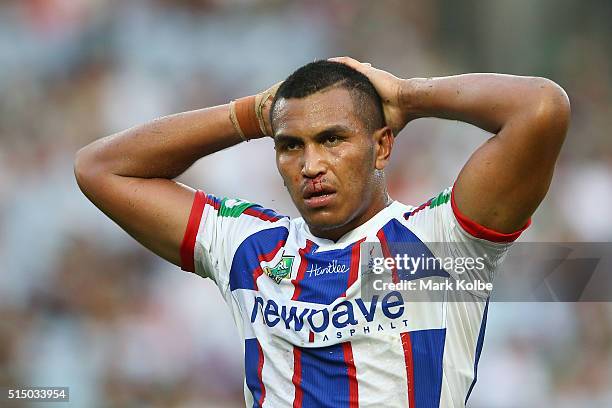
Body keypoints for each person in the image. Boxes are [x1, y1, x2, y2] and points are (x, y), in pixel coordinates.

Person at [74, 57, 570, 407]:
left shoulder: (436, 246)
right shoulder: (249, 248)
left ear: (381, 147)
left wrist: (403, 95)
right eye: (291, 145)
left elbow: (541, 109)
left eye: (332, 139)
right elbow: (101, 168)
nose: (311, 165)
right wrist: (251, 115)